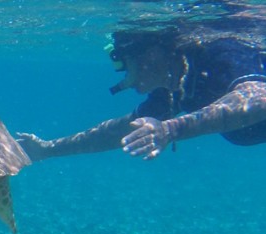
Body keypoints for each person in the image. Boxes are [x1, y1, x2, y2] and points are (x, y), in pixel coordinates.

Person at [17, 15, 266, 161]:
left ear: (151, 55)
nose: (128, 78)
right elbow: (119, 132)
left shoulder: (220, 52)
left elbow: (259, 99)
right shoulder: (173, 90)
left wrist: (171, 128)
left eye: (126, 65)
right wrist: (47, 149)